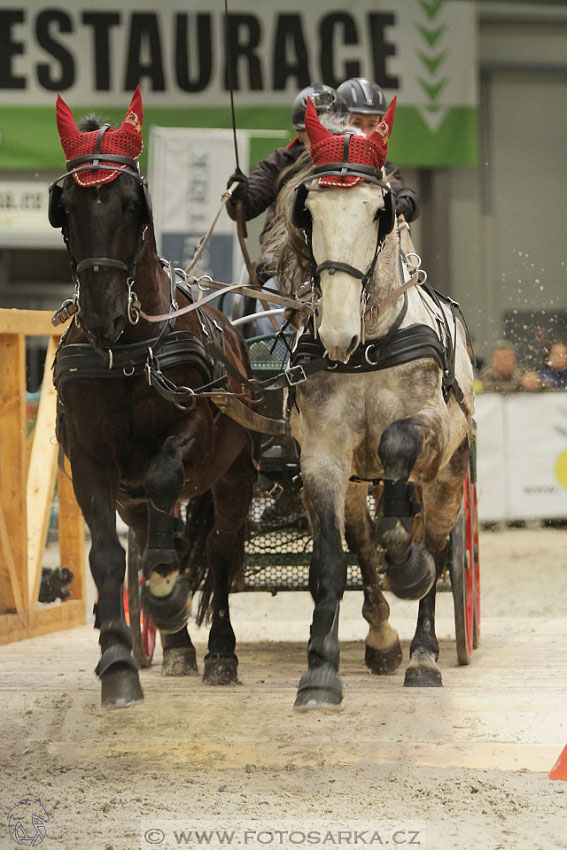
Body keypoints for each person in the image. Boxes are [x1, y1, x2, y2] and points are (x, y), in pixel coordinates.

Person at [225, 82, 346, 249]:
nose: (322, 140)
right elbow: (248, 206)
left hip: (340, 256)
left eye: (329, 133)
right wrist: (239, 196)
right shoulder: (280, 162)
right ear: (299, 133)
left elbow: (387, 187)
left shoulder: (356, 161)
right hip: (281, 256)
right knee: (274, 275)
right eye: (314, 132)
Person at [336, 77, 419, 223]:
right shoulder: (319, 161)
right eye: (356, 123)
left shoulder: (385, 167)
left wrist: (406, 201)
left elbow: (396, 187)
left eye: (372, 125)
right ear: (338, 122)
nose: (365, 133)